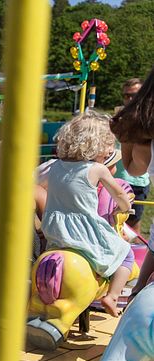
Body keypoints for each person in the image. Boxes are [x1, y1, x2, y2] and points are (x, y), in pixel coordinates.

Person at [41, 112, 133, 317]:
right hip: (85, 230)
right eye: (108, 145)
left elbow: (38, 184)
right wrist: (125, 206)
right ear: (95, 144)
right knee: (126, 253)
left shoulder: (55, 166)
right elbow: (119, 194)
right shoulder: (97, 169)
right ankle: (113, 295)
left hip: (55, 231)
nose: (110, 150)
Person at [112, 78, 148, 233]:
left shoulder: (148, 120)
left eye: (135, 95)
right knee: (114, 222)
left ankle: (136, 254)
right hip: (116, 179)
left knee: (133, 223)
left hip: (138, 181)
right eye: (127, 95)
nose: (130, 99)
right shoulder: (117, 118)